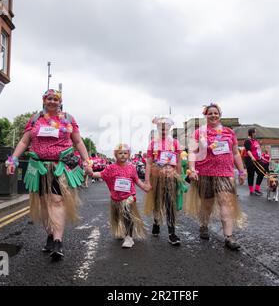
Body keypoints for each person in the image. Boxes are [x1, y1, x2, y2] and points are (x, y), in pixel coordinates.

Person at [6, 89, 93, 261]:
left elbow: (78, 141)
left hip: (60, 166)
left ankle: (58, 241)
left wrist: (87, 161)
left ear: (60, 101)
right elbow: (25, 141)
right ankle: (51, 235)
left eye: (55, 99)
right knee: (44, 204)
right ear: (44, 101)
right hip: (39, 167)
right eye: (49, 98)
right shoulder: (35, 119)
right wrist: (12, 160)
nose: (52, 101)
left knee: (57, 201)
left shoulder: (68, 119)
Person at [185, 103, 247, 250]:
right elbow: (192, 152)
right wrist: (192, 169)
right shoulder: (199, 133)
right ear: (206, 116)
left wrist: (242, 171)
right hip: (205, 173)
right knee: (207, 204)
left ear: (220, 114)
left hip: (225, 173)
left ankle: (229, 237)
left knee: (226, 203)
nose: (213, 115)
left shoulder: (229, 132)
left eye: (216, 113)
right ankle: (204, 225)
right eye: (210, 113)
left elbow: (236, 153)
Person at [92, 144, 151, 248]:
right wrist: (91, 173)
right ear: (115, 155)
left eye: (125, 153)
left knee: (128, 214)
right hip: (116, 197)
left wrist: (144, 187)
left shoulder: (132, 168)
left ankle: (129, 237)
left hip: (129, 197)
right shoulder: (111, 167)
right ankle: (119, 230)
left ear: (128, 154)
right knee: (118, 216)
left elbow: (136, 180)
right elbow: (101, 174)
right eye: (120, 153)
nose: (123, 155)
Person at [144, 117, 184, 246]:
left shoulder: (175, 143)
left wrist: (179, 178)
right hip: (156, 177)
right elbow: (149, 163)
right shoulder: (153, 144)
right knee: (157, 202)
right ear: (157, 128)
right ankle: (156, 222)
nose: (163, 129)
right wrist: (147, 181)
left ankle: (172, 233)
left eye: (165, 127)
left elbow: (178, 162)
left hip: (171, 178)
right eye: (160, 127)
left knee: (170, 204)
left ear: (169, 128)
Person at [243, 128, 265, 196]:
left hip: (258, 159)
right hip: (250, 160)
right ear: (252, 133)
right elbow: (248, 150)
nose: (256, 134)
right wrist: (252, 157)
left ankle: (257, 189)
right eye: (255, 132)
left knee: (262, 173)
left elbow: (258, 149)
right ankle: (251, 191)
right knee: (251, 175)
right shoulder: (247, 141)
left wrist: (261, 156)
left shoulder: (255, 140)